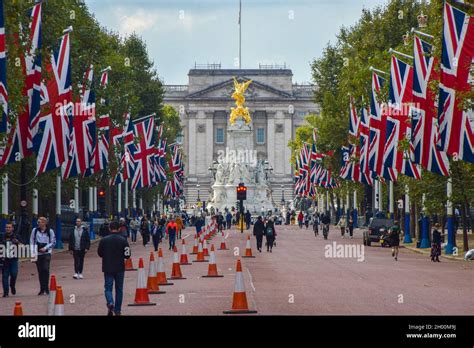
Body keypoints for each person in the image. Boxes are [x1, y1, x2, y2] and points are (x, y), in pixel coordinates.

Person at [97, 220, 130, 316]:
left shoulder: (104, 240)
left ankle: (110, 302)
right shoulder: (123, 240)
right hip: (120, 267)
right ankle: (118, 310)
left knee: (108, 288)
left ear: (109, 228)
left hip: (108, 267)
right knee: (119, 289)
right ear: (119, 228)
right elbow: (127, 254)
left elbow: (100, 253)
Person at [30, 217, 56, 295]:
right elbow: (32, 242)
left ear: (44, 223)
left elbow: (53, 242)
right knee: (40, 271)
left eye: (40, 222)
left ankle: (46, 288)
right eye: (38, 222)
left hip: (46, 253)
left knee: (45, 269)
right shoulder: (34, 231)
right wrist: (33, 253)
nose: (38, 224)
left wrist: (45, 248)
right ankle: (42, 288)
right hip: (38, 253)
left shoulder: (50, 231)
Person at [1, 223, 20, 297]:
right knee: (5, 275)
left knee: (14, 274)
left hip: (14, 259)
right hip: (4, 259)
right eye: (6, 227)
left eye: (9, 227)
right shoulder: (2, 236)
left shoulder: (16, 236)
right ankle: (5, 292)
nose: (7, 228)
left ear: (12, 228)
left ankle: (12, 285)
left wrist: (17, 242)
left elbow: (23, 246)